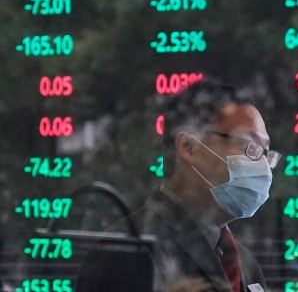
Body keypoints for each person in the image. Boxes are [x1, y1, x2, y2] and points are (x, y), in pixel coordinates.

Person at [77, 81, 276, 292]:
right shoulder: (126, 252)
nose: (262, 163)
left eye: (265, 152)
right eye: (248, 145)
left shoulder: (245, 263)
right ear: (189, 147)